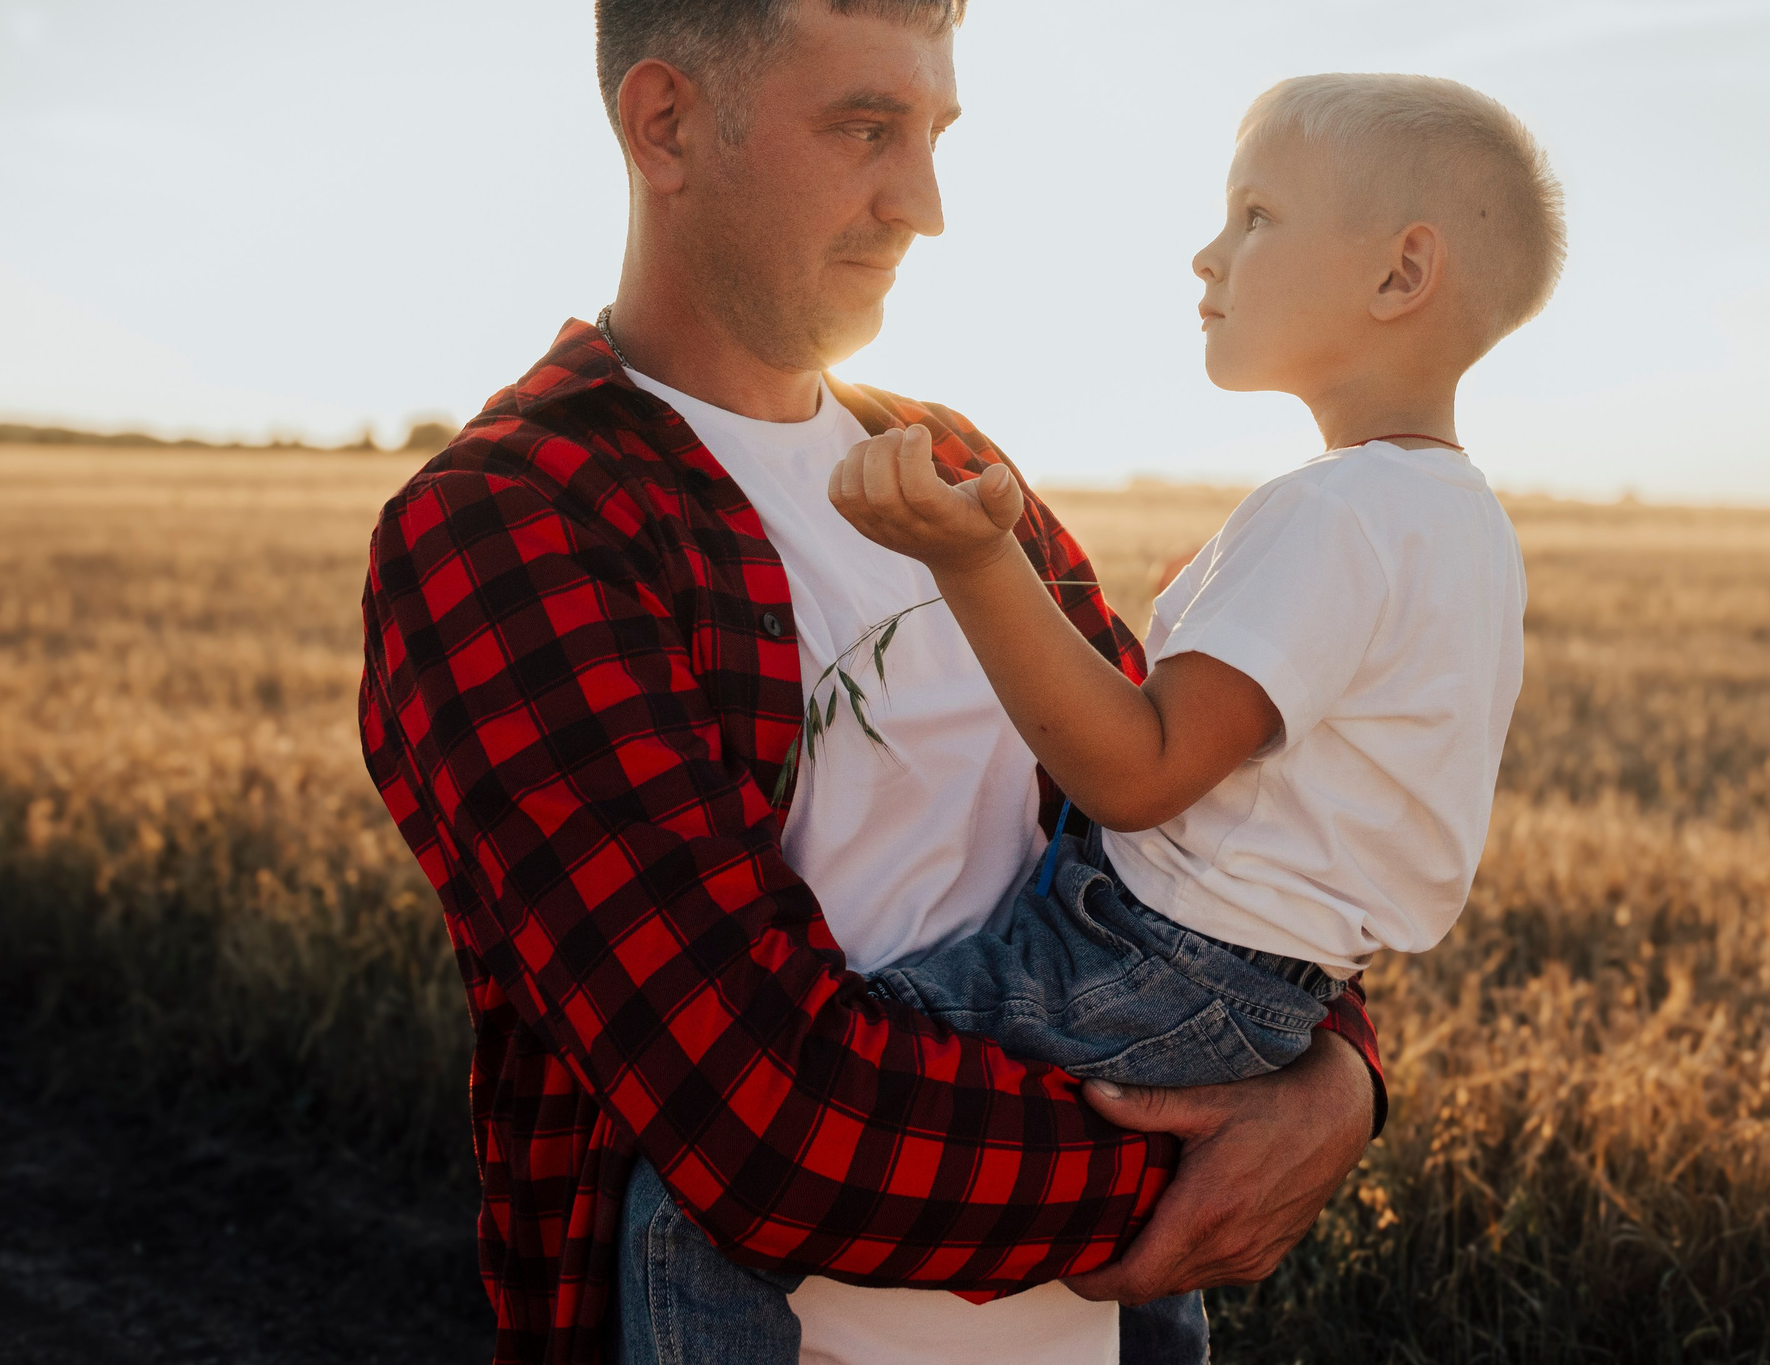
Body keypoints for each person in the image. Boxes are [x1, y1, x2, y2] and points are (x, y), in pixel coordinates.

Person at [357, 0, 1387, 1365]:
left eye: (932, 136)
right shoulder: (516, 522)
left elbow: (1211, 848)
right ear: (665, 125)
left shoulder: (957, 465)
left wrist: (1341, 1079)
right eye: (864, 130)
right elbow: (762, 1115)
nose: (924, 203)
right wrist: (1210, 1155)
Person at [638, 73, 1561, 1359]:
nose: (1209, 252)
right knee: (1143, 1193)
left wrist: (971, 563)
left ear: (1404, 273)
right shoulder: (1458, 521)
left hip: (1154, 959)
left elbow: (1135, 772)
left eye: (1256, 216)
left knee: (692, 1194)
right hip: (1261, 987)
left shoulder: (1335, 514)